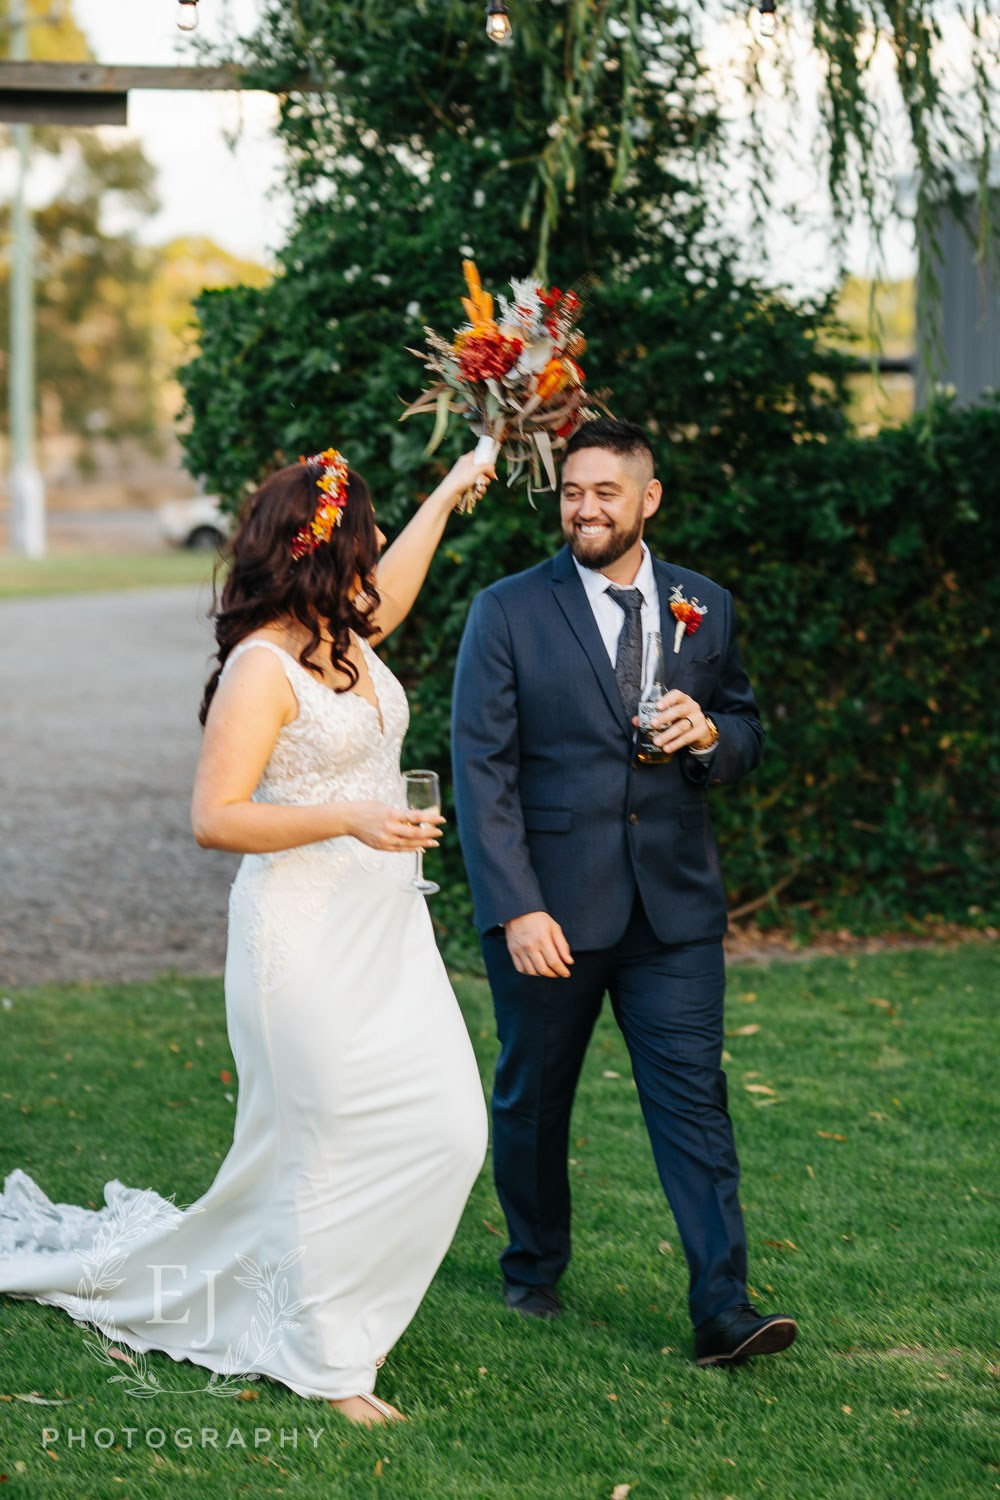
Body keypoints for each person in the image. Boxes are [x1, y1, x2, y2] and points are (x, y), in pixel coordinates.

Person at [0, 446, 493, 1422]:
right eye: (365, 538)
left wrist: (452, 487)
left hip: (386, 933)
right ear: (321, 556)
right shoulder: (262, 669)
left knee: (448, 1126)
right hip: (301, 940)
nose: (378, 550)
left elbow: (395, 588)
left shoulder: (348, 640)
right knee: (323, 1143)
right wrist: (350, 816)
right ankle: (328, 1360)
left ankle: (322, 1312)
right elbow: (215, 816)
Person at [451, 417, 797, 1367]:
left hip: (674, 912)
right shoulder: (509, 610)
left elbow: (748, 730)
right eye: (572, 490)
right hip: (550, 912)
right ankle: (531, 1268)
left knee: (695, 1102)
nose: (585, 507)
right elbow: (483, 772)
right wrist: (517, 906)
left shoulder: (705, 605)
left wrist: (712, 737)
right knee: (534, 1096)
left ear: (649, 499)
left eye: (606, 492)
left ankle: (723, 1308)